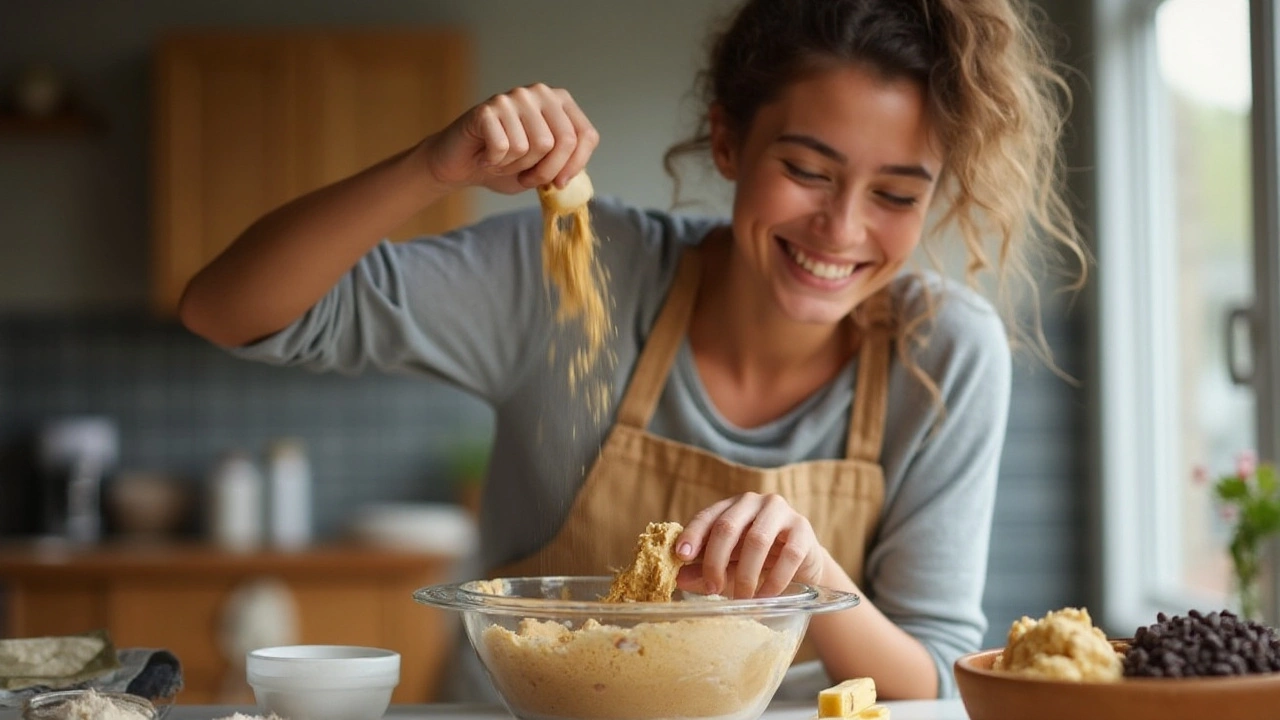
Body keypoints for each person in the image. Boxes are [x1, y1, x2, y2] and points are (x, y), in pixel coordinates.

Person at [179, 0, 1086, 701]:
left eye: (895, 193)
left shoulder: (945, 352)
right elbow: (227, 312)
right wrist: (433, 167)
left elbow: (926, 678)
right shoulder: (575, 269)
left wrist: (811, 577)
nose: (841, 229)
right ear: (729, 140)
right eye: (806, 170)